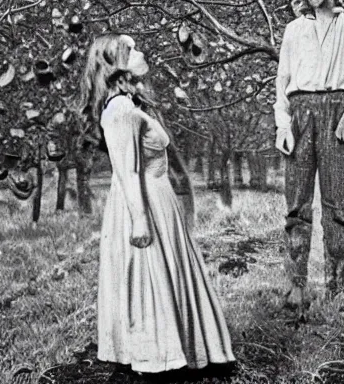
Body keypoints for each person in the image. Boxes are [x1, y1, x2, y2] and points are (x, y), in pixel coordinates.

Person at [78, 33, 235, 374]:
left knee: (163, 275)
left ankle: (178, 350)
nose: (140, 52)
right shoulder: (119, 110)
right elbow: (128, 170)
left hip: (156, 198)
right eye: (130, 50)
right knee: (149, 277)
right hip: (143, 202)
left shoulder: (129, 104)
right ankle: (157, 357)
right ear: (114, 63)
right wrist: (139, 221)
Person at [274, 0, 344, 310]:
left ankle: (337, 289)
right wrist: (282, 124)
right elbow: (283, 81)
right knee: (297, 204)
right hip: (300, 112)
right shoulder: (294, 30)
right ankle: (296, 285)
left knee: (337, 204)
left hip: (337, 111)